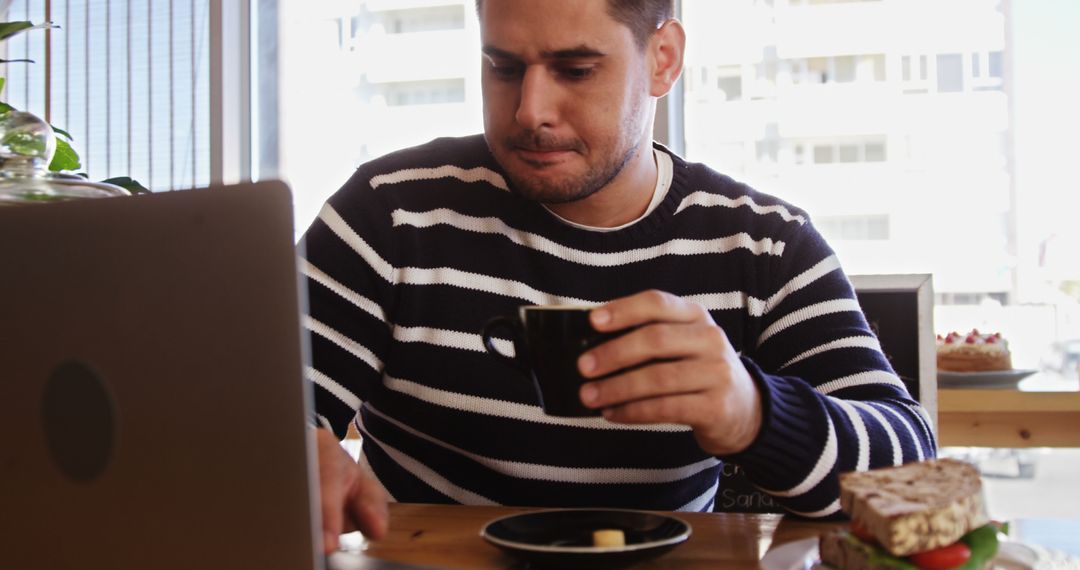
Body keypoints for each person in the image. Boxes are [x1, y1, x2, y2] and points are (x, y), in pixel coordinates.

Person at [302, 0, 937, 553]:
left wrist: (752, 415)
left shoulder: (763, 246)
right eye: (504, 67)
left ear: (663, 58)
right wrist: (291, 450)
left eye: (576, 70)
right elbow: (258, 408)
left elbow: (913, 469)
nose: (530, 110)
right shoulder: (390, 212)